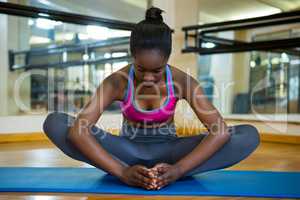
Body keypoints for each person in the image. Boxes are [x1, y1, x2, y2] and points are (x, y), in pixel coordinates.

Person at [43, 7, 260, 190]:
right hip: (125, 152)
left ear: (167, 58)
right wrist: (122, 171)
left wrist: (179, 169)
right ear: (132, 56)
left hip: (172, 152)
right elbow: (77, 131)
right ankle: (132, 172)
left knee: (247, 135)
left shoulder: (183, 82)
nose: (148, 78)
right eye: (140, 68)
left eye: (156, 70)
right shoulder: (116, 82)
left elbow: (219, 131)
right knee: (55, 122)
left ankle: (167, 173)